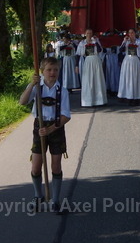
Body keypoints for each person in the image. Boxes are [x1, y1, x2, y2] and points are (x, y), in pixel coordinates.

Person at [18, 57, 72, 214]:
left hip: (56, 128)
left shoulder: (62, 90)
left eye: (55, 69)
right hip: (39, 127)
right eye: (49, 70)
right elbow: (22, 102)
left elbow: (66, 116)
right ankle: (38, 195)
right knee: (36, 166)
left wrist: (50, 130)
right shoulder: (37, 87)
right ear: (42, 71)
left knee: (55, 164)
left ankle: (55, 199)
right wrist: (31, 85)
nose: (52, 72)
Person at [77, 28, 107, 107]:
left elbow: (100, 50)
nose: (89, 35)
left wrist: (95, 41)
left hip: (96, 60)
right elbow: (78, 54)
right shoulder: (82, 43)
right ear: (85, 34)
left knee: (97, 79)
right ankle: (88, 100)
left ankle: (99, 100)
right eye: (87, 33)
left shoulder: (95, 41)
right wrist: (76, 66)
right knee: (88, 80)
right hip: (87, 61)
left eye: (90, 33)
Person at [117, 28, 140, 105]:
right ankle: (127, 96)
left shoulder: (139, 42)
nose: (131, 34)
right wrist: (124, 41)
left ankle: (136, 97)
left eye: (132, 33)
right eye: (129, 33)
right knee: (128, 79)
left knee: (135, 79)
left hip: (136, 61)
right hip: (127, 61)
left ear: (135, 33)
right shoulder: (126, 42)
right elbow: (121, 50)